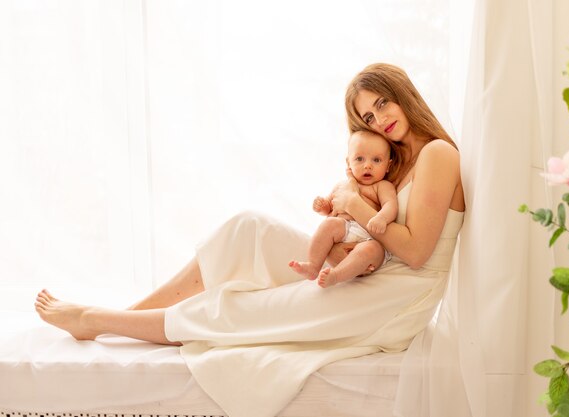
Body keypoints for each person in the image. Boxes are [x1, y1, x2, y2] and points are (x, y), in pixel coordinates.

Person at [34, 63, 465, 417]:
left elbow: (415, 251)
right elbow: (379, 235)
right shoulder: (400, 158)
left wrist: (353, 205)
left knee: (236, 309)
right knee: (248, 231)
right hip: (371, 267)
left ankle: (95, 320)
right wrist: (340, 226)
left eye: (382, 102)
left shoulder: (437, 153)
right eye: (368, 117)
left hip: (394, 298)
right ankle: (129, 316)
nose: (380, 118)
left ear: (402, 92)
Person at [289, 130, 397, 288]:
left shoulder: (382, 186)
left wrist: (382, 218)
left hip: (370, 236)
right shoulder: (342, 185)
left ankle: (336, 275)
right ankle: (313, 265)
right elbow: (330, 208)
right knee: (329, 224)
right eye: (359, 159)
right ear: (348, 163)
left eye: (376, 160)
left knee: (371, 250)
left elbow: (390, 205)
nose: (367, 165)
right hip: (345, 229)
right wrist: (323, 207)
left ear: (388, 165)